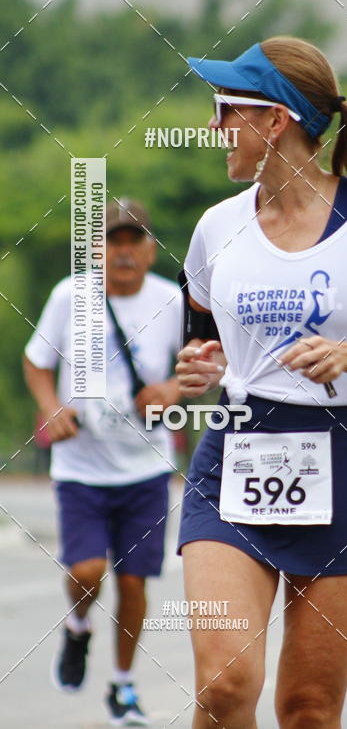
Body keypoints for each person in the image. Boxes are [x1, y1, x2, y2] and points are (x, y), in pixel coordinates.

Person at [175, 37, 347, 728]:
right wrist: (203, 367)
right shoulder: (217, 229)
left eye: (226, 110)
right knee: (224, 687)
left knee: (307, 709)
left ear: (275, 121)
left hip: (343, 462)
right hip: (235, 458)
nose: (214, 127)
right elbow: (202, 339)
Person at [23, 199, 182, 727]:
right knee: (88, 571)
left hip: (146, 467)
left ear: (151, 248)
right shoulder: (71, 297)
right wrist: (51, 409)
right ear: (98, 250)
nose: (124, 250)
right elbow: (37, 361)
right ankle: (77, 626)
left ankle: (123, 685)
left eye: (134, 239)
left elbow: (205, 364)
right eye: (113, 240)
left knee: (134, 582)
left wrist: (171, 389)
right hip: (81, 466)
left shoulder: (173, 302)